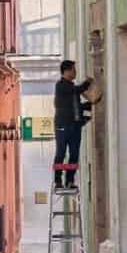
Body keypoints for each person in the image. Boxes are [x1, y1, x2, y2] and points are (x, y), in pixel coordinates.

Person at [54, 59, 93, 189]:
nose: (75, 72)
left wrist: (90, 105)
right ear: (67, 71)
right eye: (73, 69)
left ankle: (69, 180)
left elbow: (75, 107)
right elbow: (76, 90)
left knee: (74, 154)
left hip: (75, 127)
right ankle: (58, 180)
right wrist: (88, 82)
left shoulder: (71, 88)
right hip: (63, 126)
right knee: (61, 153)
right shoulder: (61, 85)